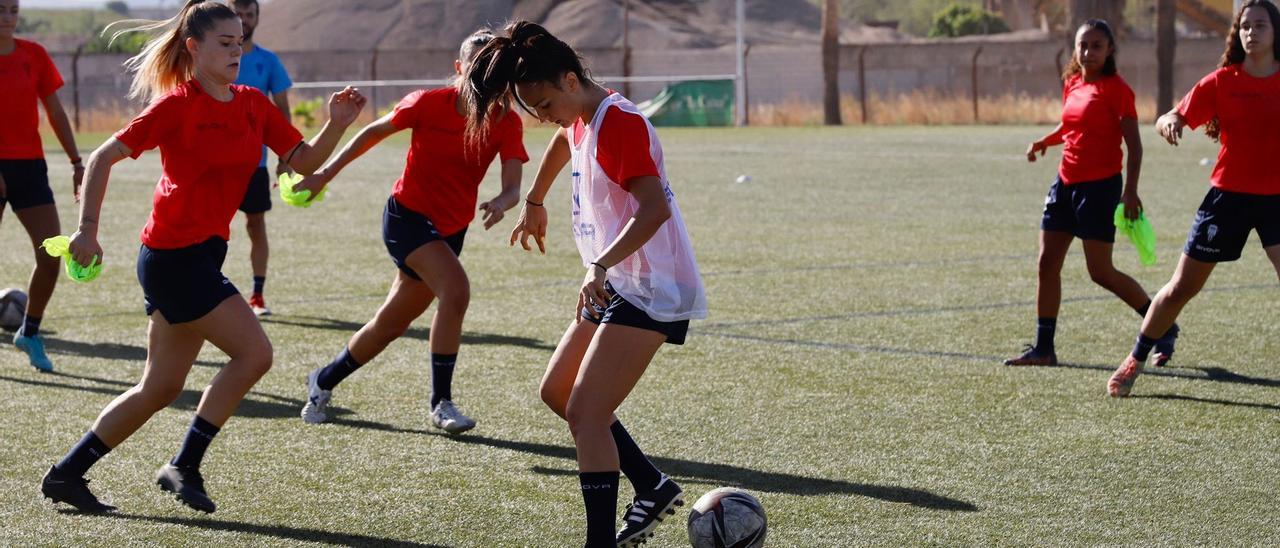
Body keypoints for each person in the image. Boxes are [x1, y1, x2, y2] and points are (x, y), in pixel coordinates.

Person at [39, 0, 364, 513]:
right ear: (194, 47)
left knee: (160, 386)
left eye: (240, 42)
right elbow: (102, 157)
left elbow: (302, 161)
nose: (237, 51)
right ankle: (184, 464)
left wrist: (337, 123)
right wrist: (87, 230)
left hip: (202, 256)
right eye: (225, 43)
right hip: (171, 258)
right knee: (255, 354)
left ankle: (66, 474)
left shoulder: (254, 103)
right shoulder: (175, 105)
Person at [462, 21, 707, 547]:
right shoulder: (581, 115)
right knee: (558, 392)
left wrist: (597, 264)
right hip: (619, 278)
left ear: (570, 80)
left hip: (652, 286)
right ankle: (651, 486)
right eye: (534, 109)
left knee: (586, 411)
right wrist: (533, 201)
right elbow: (561, 140)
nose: (543, 116)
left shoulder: (618, 123)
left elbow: (654, 209)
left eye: (545, 103)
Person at [296, 29, 528, 434]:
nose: (484, 71)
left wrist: (503, 202)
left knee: (389, 325)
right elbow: (372, 133)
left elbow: (512, 185)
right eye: (477, 62)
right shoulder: (427, 103)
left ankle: (324, 379)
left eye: (493, 63)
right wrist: (323, 175)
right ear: (459, 69)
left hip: (451, 230)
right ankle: (442, 404)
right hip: (407, 218)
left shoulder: (506, 121)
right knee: (456, 291)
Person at [1109, 0, 1280, 397]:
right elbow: (1173, 116)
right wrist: (1170, 121)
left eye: (1261, 25)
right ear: (1237, 34)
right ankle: (1135, 358)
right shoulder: (1222, 81)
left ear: (1276, 33)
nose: (1252, 32)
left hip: (1276, 200)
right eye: (1246, 26)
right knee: (1181, 288)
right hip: (1228, 198)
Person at [1005, 19, 1179, 368]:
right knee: (1046, 263)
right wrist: (1045, 141)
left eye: (1096, 45)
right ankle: (1044, 348)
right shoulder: (1072, 84)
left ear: (1110, 50)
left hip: (1100, 188)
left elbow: (1135, 145)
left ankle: (1163, 325)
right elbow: (1070, 126)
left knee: (1100, 272)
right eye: (1083, 45)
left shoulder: (1118, 90)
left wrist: (1130, 192)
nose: (1088, 52)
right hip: (1064, 185)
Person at [0, 0, 85, 372]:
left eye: (13, 10)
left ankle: (29, 332)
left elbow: (55, 111)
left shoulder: (33, 54)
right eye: (1, 9)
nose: (7, 17)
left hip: (30, 167)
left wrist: (77, 161)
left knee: (51, 254)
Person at [229, 0, 293, 316]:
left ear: (256, 18)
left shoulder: (267, 61)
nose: (243, 19)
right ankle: (206, 293)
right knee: (210, 228)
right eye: (237, 13)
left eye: (249, 14)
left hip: (254, 164)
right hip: (215, 164)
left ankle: (257, 295)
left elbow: (282, 110)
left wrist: (286, 154)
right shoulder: (218, 58)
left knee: (256, 225)